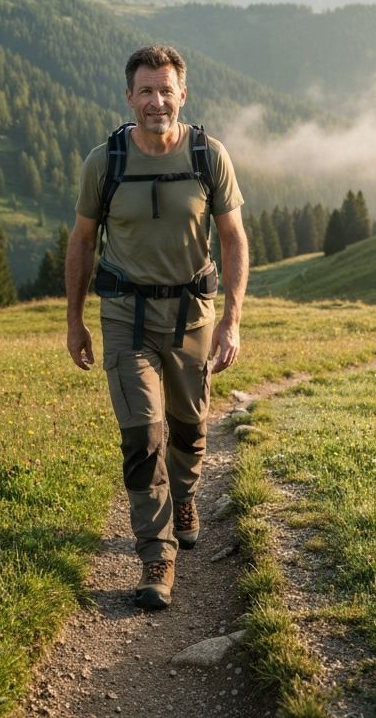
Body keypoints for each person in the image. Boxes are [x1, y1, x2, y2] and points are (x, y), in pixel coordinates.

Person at [65, 45, 248, 610]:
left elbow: (234, 238)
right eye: (146, 90)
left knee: (188, 427)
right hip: (125, 317)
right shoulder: (106, 161)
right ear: (129, 97)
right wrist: (73, 319)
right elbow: (81, 240)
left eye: (166, 90)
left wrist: (233, 321)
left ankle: (186, 495)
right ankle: (156, 556)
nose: (156, 101)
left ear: (182, 95)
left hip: (193, 313)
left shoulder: (207, 155)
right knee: (143, 436)